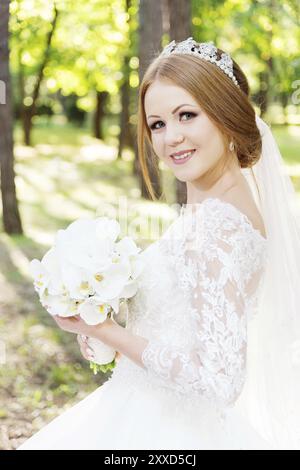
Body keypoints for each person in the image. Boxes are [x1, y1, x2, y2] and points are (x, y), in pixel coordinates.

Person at [18, 37, 300, 450]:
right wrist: (100, 323)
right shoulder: (216, 209)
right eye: (158, 124)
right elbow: (177, 333)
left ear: (225, 114)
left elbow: (218, 381)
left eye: (187, 115)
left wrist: (109, 332)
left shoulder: (218, 227)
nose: (171, 138)